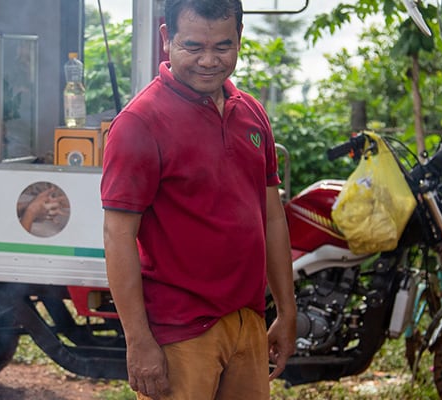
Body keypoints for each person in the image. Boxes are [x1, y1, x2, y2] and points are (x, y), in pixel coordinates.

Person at [100, 0, 296, 399]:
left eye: (222, 47)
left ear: (239, 39)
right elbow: (118, 237)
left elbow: (272, 218)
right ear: (166, 39)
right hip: (179, 332)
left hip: (247, 321)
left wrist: (286, 310)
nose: (209, 60)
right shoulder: (140, 123)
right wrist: (138, 341)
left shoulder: (252, 114)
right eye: (192, 47)